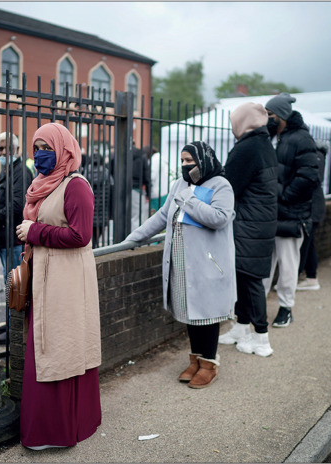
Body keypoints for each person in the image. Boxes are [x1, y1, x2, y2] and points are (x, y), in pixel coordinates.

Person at [14, 122, 101, 450]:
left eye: (47, 148)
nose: (40, 155)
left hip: (65, 283)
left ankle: (62, 430)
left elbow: (81, 235)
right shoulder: (41, 184)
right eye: (36, 148)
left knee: (59, 348)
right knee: (43, 347)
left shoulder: (76, 185)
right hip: (43, 280)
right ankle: (44, 428)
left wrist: (34, 232)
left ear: (64, 150)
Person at [125, 141, 236, 388]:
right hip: (183, 264)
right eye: (183, 161)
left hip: (208, 265)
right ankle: (196, 359)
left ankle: (209, 364)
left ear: (204, 160)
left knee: (206, 316)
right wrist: (134, 238)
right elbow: (163, 216)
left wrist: (189, 200)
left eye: (190, 161)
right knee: (190, 313)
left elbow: (219, 218)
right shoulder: (180, 184)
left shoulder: (221, 186)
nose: (185, 166)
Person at [218, 103, 278, 357]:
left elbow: (229, 184)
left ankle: (261, 338)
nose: (232, 127)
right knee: (244, 276)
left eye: (234, 122)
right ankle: (242, 327)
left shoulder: (248, 147)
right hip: (259, 221)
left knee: (250, 279)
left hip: (249, 222)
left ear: (243, 122)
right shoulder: (264, 144)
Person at [263, 92, 320, 327]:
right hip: (270, 212)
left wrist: (284, 196)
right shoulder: (271, 138)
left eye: (270, 114)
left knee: (288, 264)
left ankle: (286, 308)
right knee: (264, 264)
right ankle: (256, 308)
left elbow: (309, 177)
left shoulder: (301, 139)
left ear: (282, 116)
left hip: (292, 212)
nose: (267, 118)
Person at [0, 132, 34, 273]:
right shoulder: (7, 170)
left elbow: (17, 205)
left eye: (6, 148)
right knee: (10, 283)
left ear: (17, 149)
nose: (2, 153)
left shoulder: (21, 172)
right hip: (4, 237)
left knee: (15, 286)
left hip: (13, 239)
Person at [297, 141, 327, 291]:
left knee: (305, 244)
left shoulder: (316, 156)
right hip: (315, 206)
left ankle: (300, 277)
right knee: (309, 244)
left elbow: (313, 180)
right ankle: (311, 277)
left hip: (312, 207)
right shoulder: (319, 155)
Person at [83, 152, 114, 246]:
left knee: (91, 232)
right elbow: (112, 188)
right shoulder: (106, 172)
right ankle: (96, 244)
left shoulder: (86, 173)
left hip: (90, 208)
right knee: (99, 231)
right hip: (103, 207)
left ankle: (94, 244)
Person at [131, 142, 151, 229]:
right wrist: (148, 193)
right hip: (136, 188)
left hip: (121, 190)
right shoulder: (141, 155)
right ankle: (133, 241)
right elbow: (146, 175)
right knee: (137, 217)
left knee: (121, 216)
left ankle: (120, 240)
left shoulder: (116, 154)